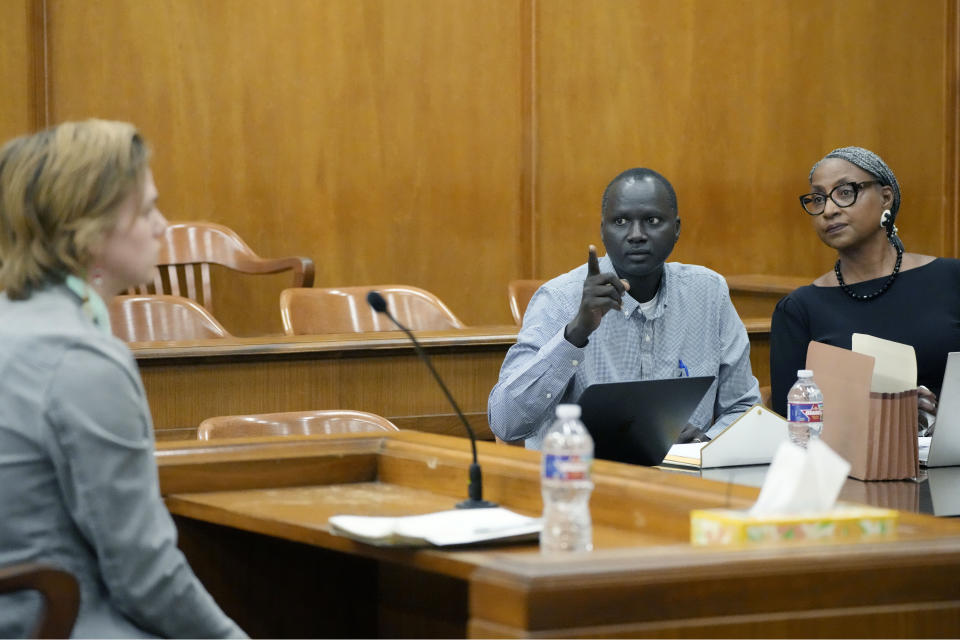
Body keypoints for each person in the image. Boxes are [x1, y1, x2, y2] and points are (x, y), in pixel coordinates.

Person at [0, 120, 246, 638]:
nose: (164, 225)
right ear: (89, 228)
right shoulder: (81, 358)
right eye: (148, 208)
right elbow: (145, 577)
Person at [488, 167, 761, 448]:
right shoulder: (560, 298)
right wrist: (575, 333)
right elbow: (505, 422)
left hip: (682, 480)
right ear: (602, 231)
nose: (636, 235)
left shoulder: (708, 293)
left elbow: (744, 409)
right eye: (620, 221)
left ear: (676, 229)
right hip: (580, 479)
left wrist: (706, 444)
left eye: (652, 220)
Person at [770, 146, 958, 429]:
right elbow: (792, 420)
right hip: (851, 466)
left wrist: (941, 415)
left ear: (886, 197)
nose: (829, 210)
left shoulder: (950, 278)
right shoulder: (800, 308)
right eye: (818, 199)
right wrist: (883, 413)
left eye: (845, 192)